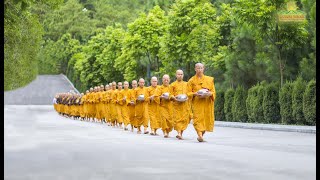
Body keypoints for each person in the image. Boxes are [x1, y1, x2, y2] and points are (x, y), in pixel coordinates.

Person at [187, 63, 216, 142]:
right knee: (197, 119)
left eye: (201, 68)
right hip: (197, 103)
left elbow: (213, 92)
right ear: (195, 69)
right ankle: (199, 135)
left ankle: (201, 135)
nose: (199, 70)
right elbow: (188, 93)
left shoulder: (209, 80)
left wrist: (210, 94)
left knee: (206, 120)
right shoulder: (191, 81)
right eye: (198, 68)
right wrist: (195, 94)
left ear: (203, 69)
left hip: (207, 103)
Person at [170, 69, 191, 140]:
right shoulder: (172, 85)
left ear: (183, 75)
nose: (180, 75)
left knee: (184, 120)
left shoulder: (187, 84)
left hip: (185, 105)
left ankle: (180, 133)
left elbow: (189, 93)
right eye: (178, 74)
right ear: (176, 75)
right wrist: (174, 98)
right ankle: (179, 133)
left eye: (181, 74)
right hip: (177, 106)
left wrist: (187, 97)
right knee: (177, 120)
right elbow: (170, 94)